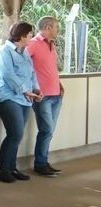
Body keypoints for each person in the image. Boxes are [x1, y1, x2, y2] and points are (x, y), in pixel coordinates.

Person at [0, 22, 42, 183]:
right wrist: (24, 90)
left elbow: (32, 73)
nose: (32, 37)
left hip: (25, 99)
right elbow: (8, 75)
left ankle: (12, 167)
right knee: (15, 133)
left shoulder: (25, 52)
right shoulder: (4, 52)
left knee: (17, 135)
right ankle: (2, 169)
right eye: (29, 35)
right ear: (21, 37)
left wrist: (36, 89)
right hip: (9, 97)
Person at [27, 17, 63, 177]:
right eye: (56, 27)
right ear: (48, 27)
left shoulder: (51, 44)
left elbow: (51, 68)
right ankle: (40, 164)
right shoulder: (33, 44)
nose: (58, 30)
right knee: (46, 130)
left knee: (49, 131)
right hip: (43, 96)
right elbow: (22, 65)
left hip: (56, 94)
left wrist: (59, 84)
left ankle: (43, 161)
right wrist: (31, 88)